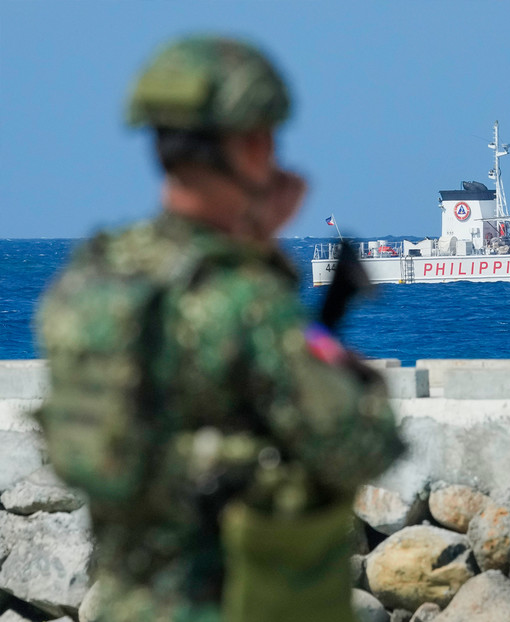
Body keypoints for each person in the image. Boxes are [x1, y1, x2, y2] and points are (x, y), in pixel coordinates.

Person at [35, 36, 403, 622]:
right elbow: (360, 445)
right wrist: (264, 255)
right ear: (251, 143)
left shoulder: (88, 281)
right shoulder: (243, 298)